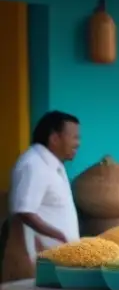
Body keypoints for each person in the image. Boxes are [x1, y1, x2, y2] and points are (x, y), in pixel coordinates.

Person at [5, 111, 81, 278]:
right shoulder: (33, 165)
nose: (78, 143)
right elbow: (24, 211)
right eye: (74, 137)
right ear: (54, 139)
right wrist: (59, 236)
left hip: (57, 262)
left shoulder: (52, 166)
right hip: (39, 265)